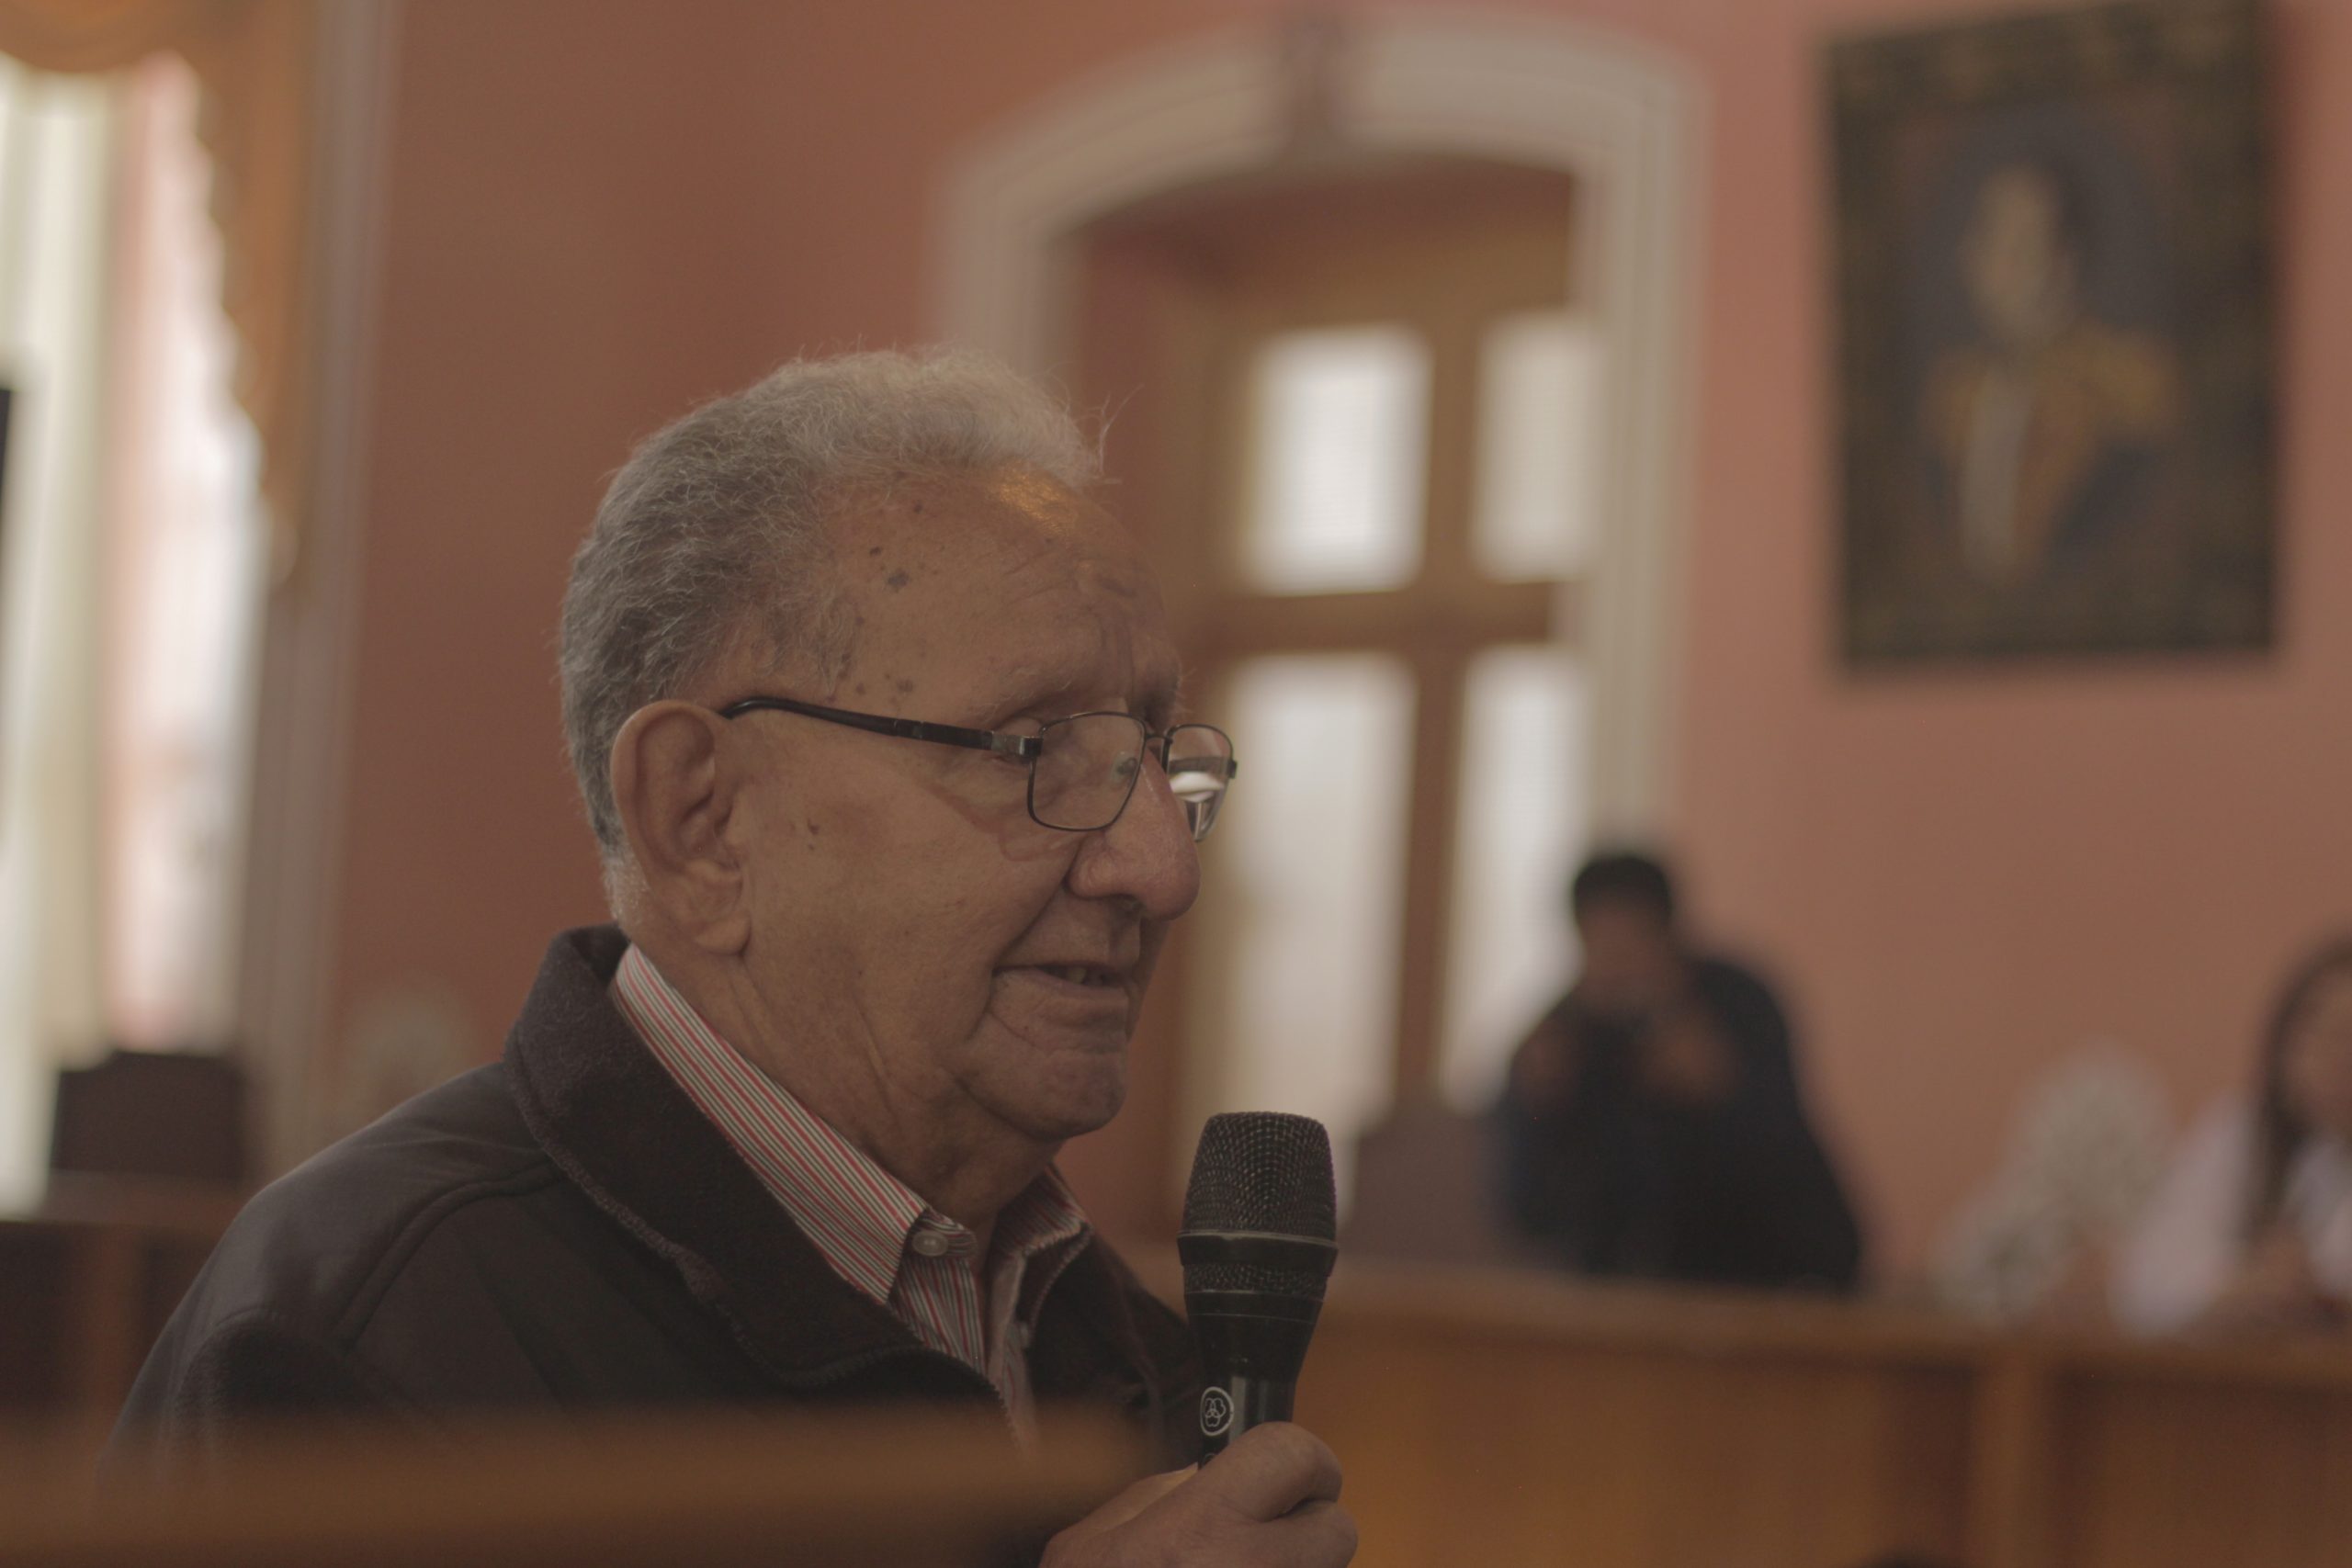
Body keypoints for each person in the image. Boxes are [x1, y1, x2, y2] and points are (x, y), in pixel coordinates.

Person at [108, 351, 1356, 1565]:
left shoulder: (1114, 1342)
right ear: (700, 820)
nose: (1160, 867)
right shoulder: (358, 1342)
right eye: (1033, 749)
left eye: (1153, 757)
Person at [1494, 852, 1862, 1290]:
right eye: (1603, 948)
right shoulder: (1562, 1039)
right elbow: (1524, 1209)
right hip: (1617, 1293)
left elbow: (1792, 1168)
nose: (1619, 969)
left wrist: (1720, 1092)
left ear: (1671, 939)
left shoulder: (1737, 1008)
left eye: (1632, 945)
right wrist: (1538, 1110)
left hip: (1767, 1280)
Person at [2112, 939, 2352, 1337]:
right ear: (2283, 1043)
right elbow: (2145, 1285)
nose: (2340, 1057)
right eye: (2324, 1031)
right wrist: (2243, 1288)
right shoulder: (2239, 1134)